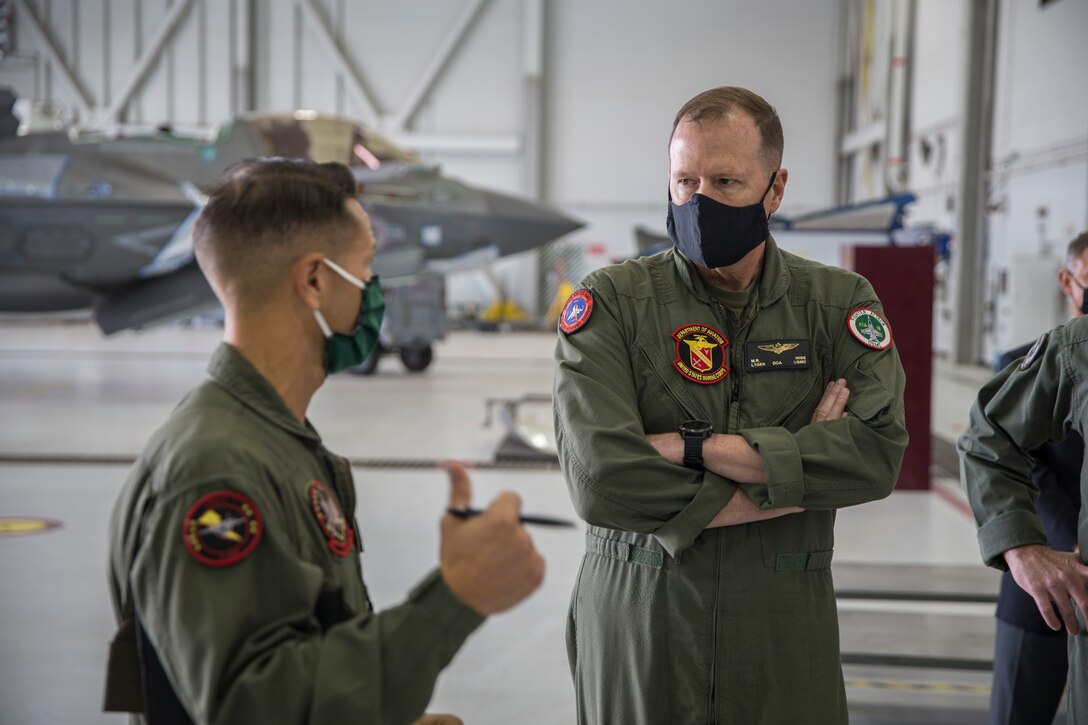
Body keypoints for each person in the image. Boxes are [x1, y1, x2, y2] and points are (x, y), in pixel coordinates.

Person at [103, 158, 545, 725]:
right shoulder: (216, 470)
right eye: (365, 267)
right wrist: (454, 599)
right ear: (314, 280)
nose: (373, 291)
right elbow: (249, 709)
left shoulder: (274, 440)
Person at [552, 86, 908, 724]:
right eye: (683, 181)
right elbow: (602, 482)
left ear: (775, 189)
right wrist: (797, 482)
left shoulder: (835, 305)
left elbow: (876, 455)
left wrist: (697, 447)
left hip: (781, 625)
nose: (699, 202)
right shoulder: (613, 303)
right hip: (642, 613)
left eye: (725, 181)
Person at [987, 231, 1087, 725]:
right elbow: (1016, 460)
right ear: (1068, 280)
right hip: (1042, 577)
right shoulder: (1026, 366)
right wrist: (1071, 543)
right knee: (1018, 709)